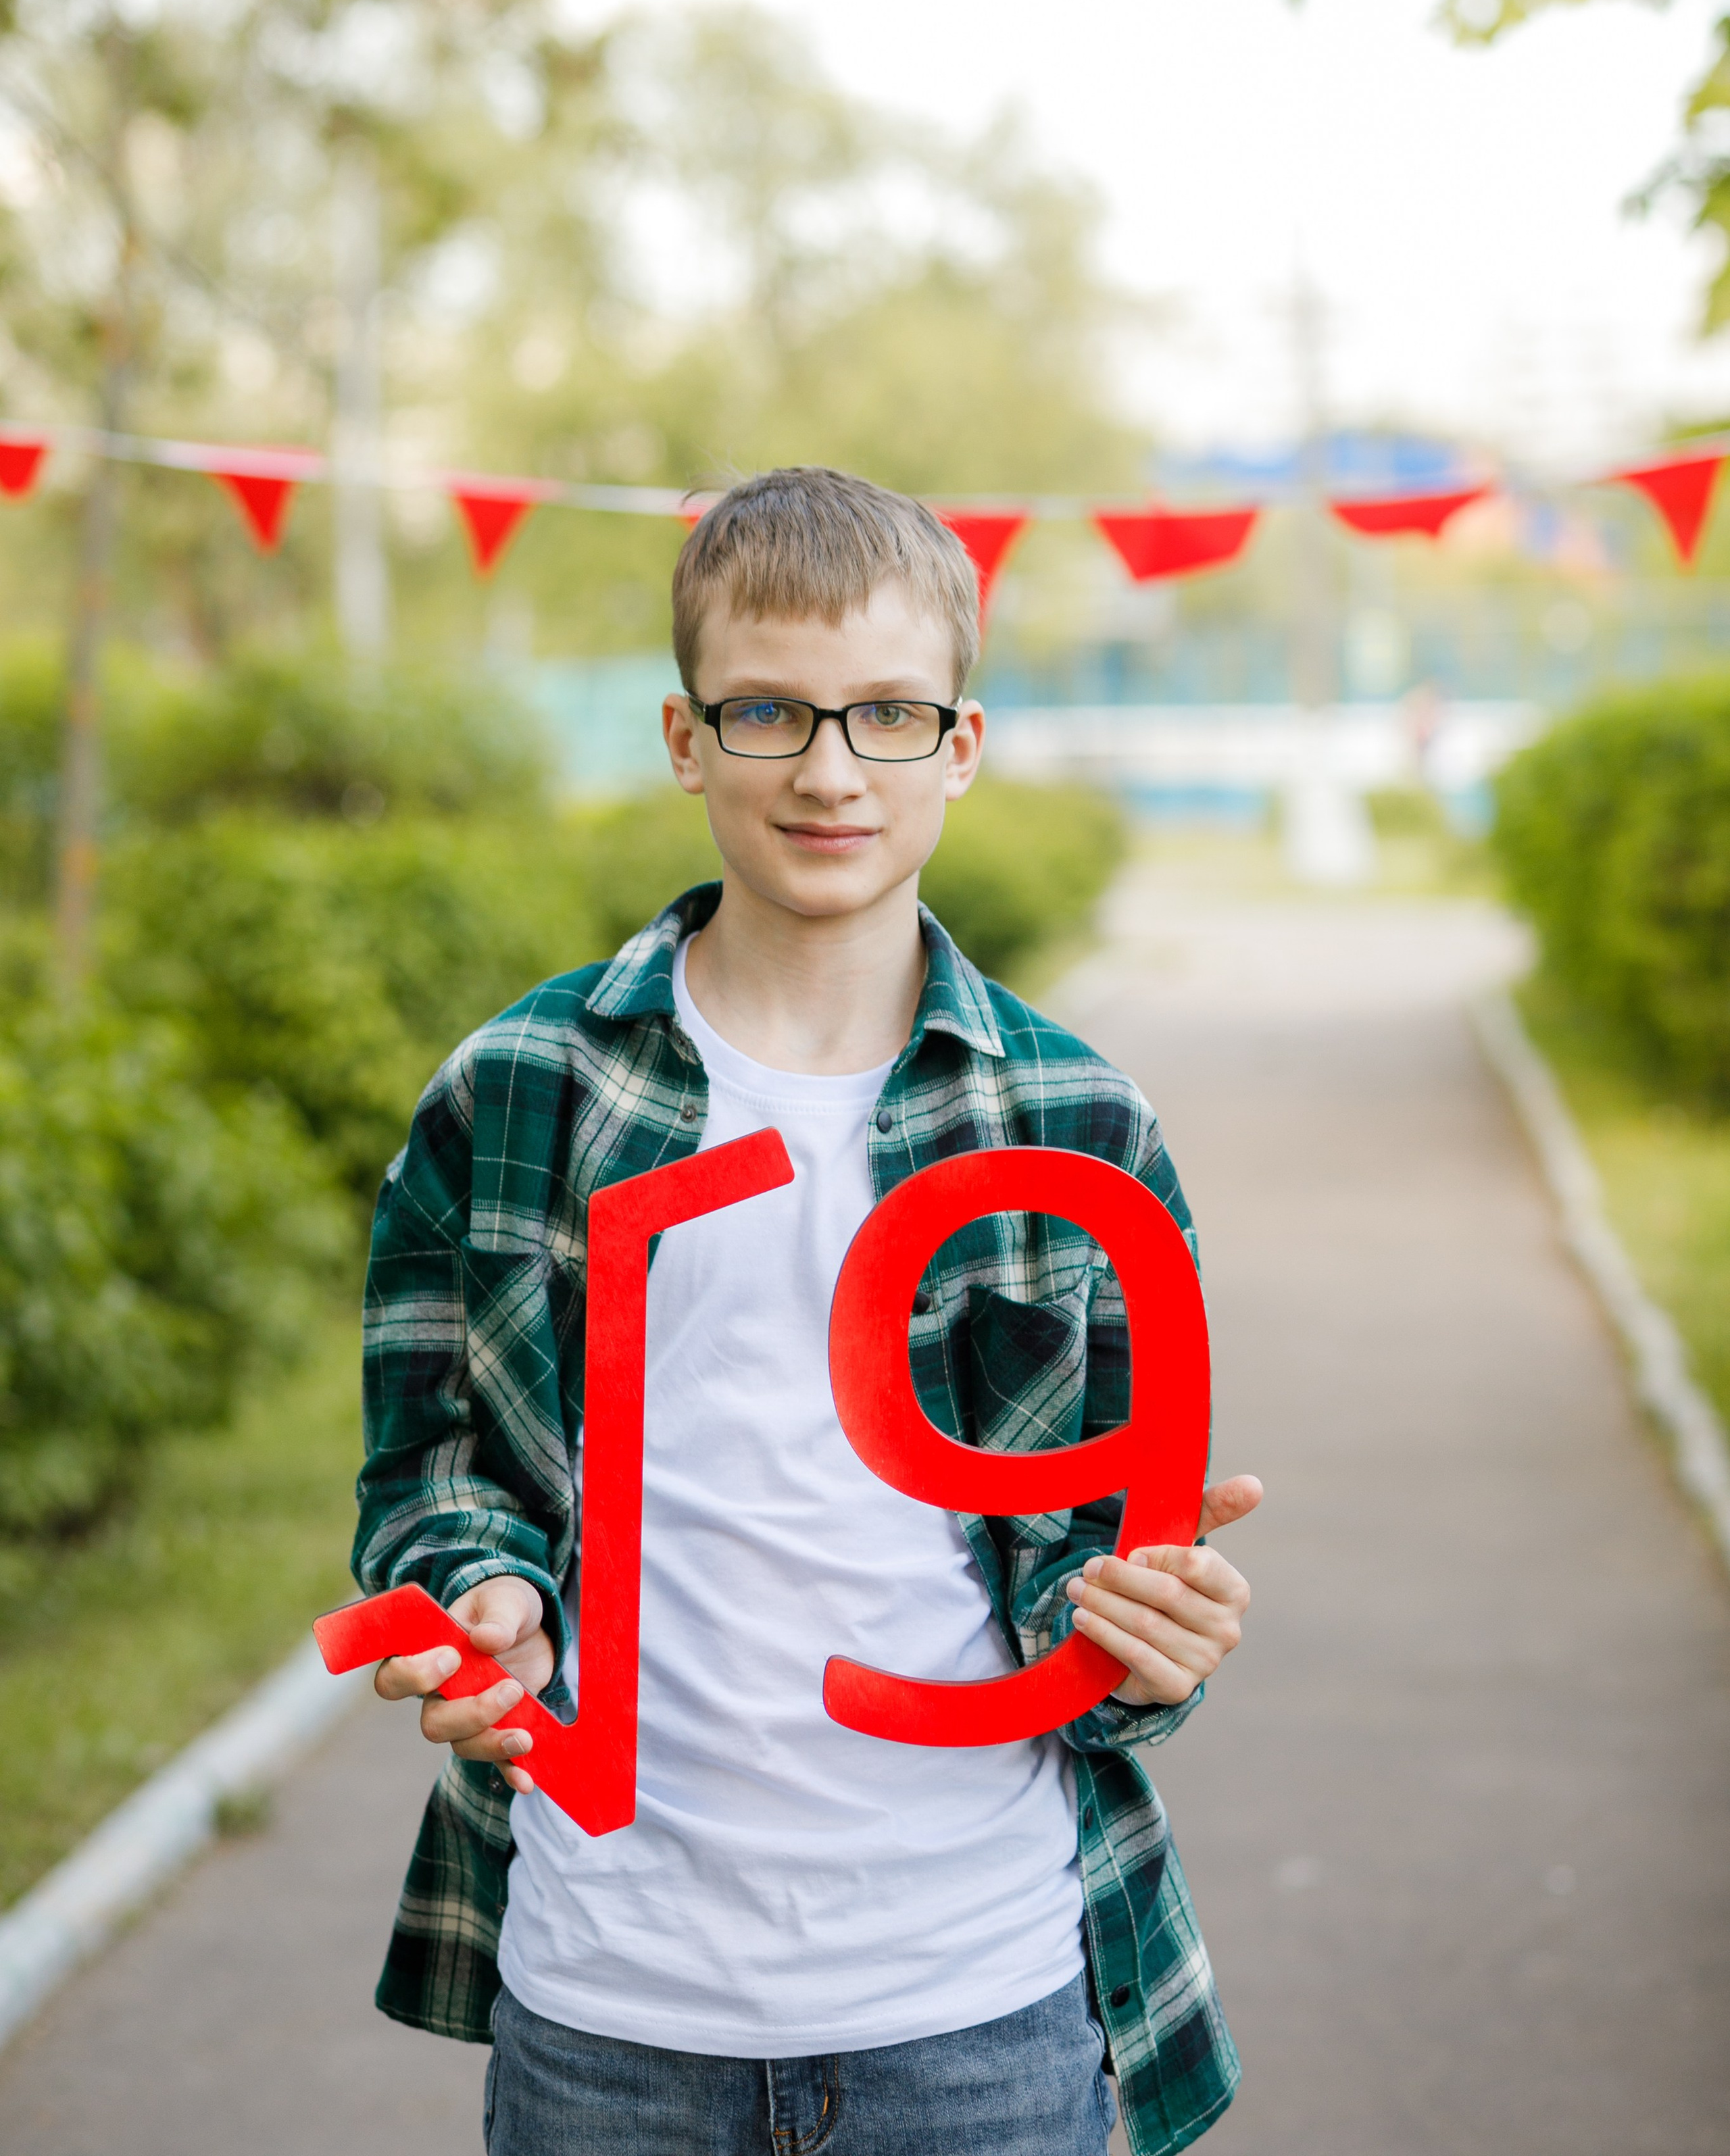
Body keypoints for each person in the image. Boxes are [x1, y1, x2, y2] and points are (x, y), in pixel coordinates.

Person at [357, 467, 1260, 2156]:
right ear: (684, 737)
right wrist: (476, 1595)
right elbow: (431, 1464)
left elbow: (1093, 1574)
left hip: (978, 2002)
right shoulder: (519, 1088)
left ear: (960, 744)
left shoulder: (1076, 1123)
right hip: (610, 2002)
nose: (829, 770)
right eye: (767, 710)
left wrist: (1150, 1639)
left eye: (887, 714)